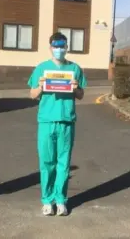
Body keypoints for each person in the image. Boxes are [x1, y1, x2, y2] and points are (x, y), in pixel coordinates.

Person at [27, 32, 87, 216]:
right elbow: (32, 94)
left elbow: (81, 95)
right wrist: (40, 86)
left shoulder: (75, 68)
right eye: (56, 45)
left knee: (63, 163)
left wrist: (76, 88)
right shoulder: (42, 68)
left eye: (62, 45)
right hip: (46, 120)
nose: (59, 49)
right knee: (47, 162)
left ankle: (60, 200)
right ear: (50, 47)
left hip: (66, 121)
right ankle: (47, 200)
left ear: (67, 47)